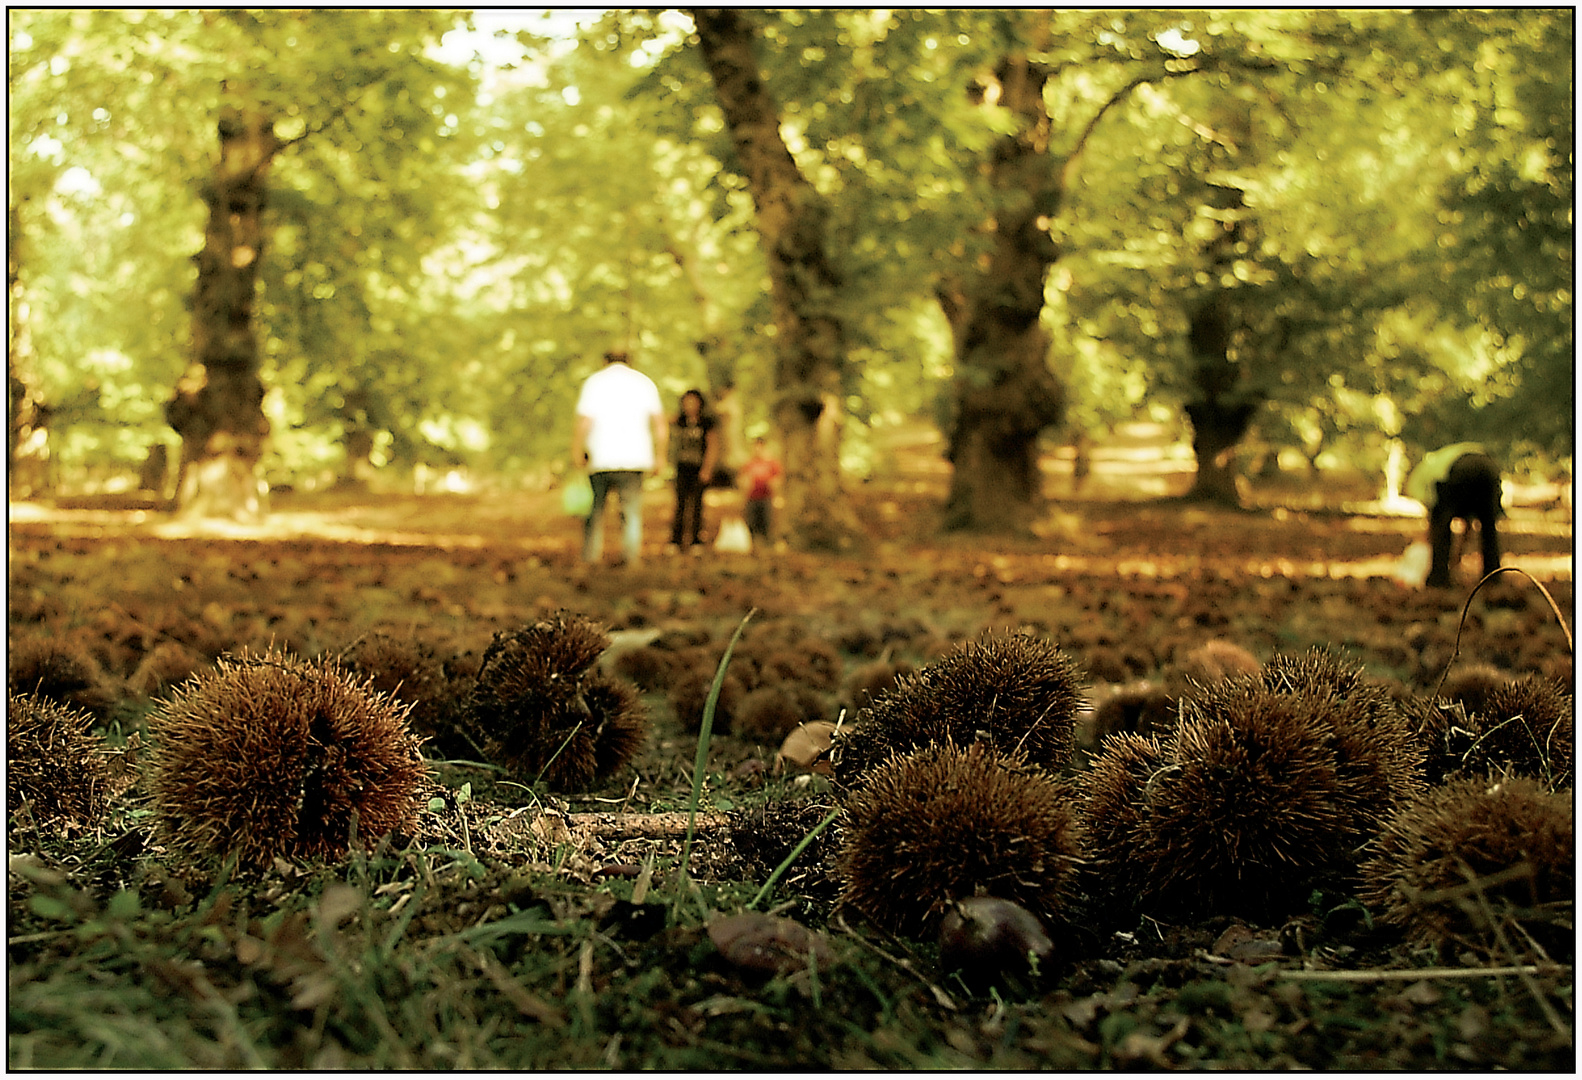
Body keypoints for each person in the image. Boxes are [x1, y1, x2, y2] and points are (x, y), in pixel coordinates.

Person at [571, 350, 667, 566]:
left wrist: (576, 451)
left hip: (600, 458)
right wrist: (660, 456)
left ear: (604, 361)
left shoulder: (595, 382)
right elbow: (660, 423)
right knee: (630, 513)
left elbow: (584, 421)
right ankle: (631, 558)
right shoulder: (643, 383)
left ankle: (590, 557)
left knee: (594, 511)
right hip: (635, 458)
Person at [1405, 442, 1502, 588]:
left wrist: (1435, 544)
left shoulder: (1422, 479)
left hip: (1457, 470)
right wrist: (1458, 554)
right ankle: (1493, 577)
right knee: (1489, 526)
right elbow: (1468, 524)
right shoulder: (1441, 460)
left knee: (1442, 525)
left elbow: (1436, 520)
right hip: (1489, 468)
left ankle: (1438, 578)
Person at [669, 389, 719, 550]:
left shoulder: (706, 423)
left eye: (693, 401)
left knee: (697, 506)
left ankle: (696, 540)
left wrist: (707, 469)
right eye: (687, 402)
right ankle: (676, 540)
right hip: (682, 468)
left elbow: (712, 446)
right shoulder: (680, 422)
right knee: (680, 504)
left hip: (698, 469)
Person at [738, 436, 783, 549]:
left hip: (766, 499)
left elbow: (778, 479)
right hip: (752, 498)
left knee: (766, 525)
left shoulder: (772, 463)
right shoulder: (749, 463)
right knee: (751, 524)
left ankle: (766, 547)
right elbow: (742, 479)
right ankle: (752, 546)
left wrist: (773, 485)